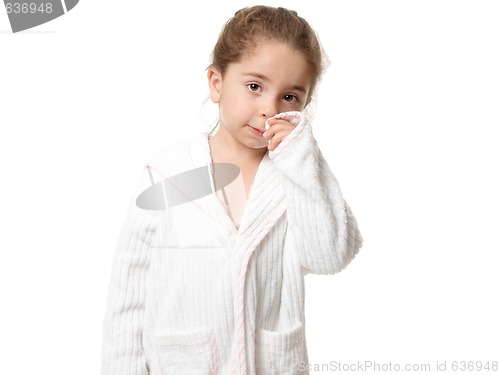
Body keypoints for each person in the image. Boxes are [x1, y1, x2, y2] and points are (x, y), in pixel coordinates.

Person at [100, 5, 363, 375]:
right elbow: (128, 303)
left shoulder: (298, 175)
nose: (269, 109)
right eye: (254, 87)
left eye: (290, 97)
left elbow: (330, 256)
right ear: (216, 82)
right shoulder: (167, 173)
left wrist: (302, 157)